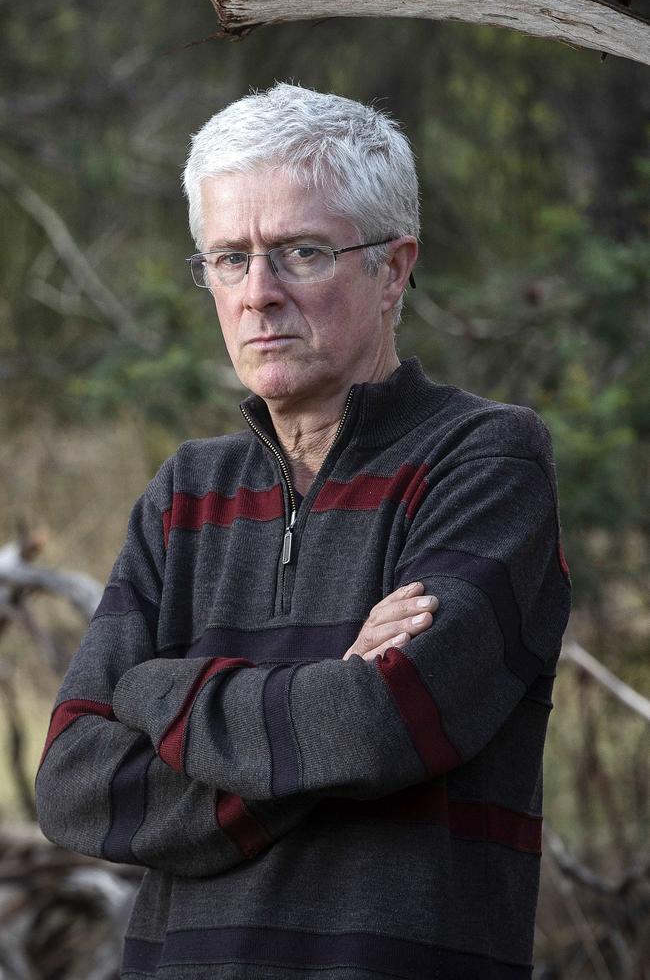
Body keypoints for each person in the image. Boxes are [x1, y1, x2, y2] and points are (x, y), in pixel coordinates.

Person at [36, 83, 571, 980]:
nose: (259, 295)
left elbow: (376, 729)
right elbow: (78, 787)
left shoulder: (485, 461)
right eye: (228, 258)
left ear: (394, 267)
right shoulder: (186, 495)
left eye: (301, 252)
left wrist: (158, 690)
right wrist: (318, 706)